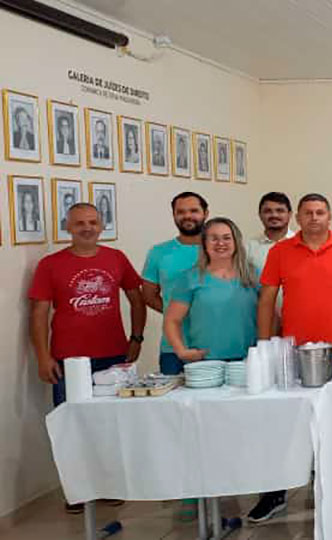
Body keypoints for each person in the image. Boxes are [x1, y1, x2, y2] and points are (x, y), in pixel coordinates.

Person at [253, 193, 332, 524]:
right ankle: (276, 492)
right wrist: (264, 345)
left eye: (320, 212)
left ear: (329, 216)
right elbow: (267, 299)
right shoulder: (280, 252)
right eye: (308, 213)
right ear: (298, 217)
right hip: (293, 350)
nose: (314, 218)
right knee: (286, 422)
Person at [27, 203, 145, 513]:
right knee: (71, 427)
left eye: (93, 222)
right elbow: (38, 314)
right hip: (68, 360)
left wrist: (136, 337)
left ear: (101, 225)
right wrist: (42, 356)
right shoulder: (50, 265)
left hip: (113, 356)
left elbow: (137, 299)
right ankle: (76, 491)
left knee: (110, 425)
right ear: (68, 227)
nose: (87, 228)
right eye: (80, 223)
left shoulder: (116, 258)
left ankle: (108, 485)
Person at [164, 218, 260, 362]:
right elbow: (172, 320)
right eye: (214, 239)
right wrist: (181, 351)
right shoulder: (190, 278)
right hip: (205, 362)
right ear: (204, 243)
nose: (220, 243)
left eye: (226, 238)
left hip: (247, 361)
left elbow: (270, 315)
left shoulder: (253, 275)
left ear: (236, 242)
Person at [142, 192, 207, 375]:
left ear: (205, 213)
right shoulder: (159, 252)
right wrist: (176, 313)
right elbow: (148, 295)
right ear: (174, 215)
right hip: (173, 348)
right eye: (181, 212)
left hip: (214, 346)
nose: (187, 216)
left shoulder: (220, 249)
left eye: (194, 211)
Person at [246, 192, 295, 271]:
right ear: (260, 215)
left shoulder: (303, 244)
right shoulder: (249, 248)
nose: (274, 215)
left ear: (290, 214)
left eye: (280, 211)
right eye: (268, 211)